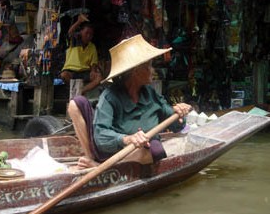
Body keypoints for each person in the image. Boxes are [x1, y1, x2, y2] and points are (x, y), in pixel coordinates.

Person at [68, 34, 192, 169]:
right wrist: (127, 139)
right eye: (149, 66)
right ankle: (94, 162)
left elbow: (176, 126)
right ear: (136, 71)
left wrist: (179, 113)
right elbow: (101, 137)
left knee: (155, 150)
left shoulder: (150, 94)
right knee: (75, 104)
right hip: (112, 152)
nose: (153, 71)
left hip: (139, 154)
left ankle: (102, 168)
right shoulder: (110, 96)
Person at [60, 14, 102, 95]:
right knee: (64, 75)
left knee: (99, 77)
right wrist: (78, 21)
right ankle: (76, 91)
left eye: (91, 34)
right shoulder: (74, 41)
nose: (88, 36)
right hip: (71, 71)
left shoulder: (92, 46)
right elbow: (70, 32)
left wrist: (93, 71)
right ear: (81, 32)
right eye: (86, 33)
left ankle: (81, 91)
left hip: (85, 72)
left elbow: (94, 62)